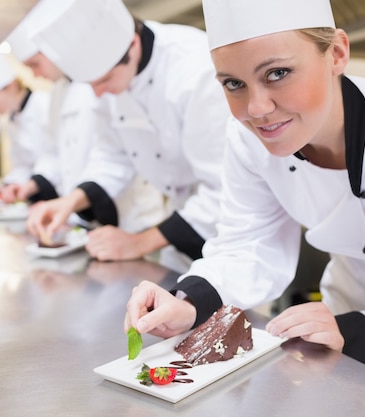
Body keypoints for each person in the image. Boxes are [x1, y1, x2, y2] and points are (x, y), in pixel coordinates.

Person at [124, 0, 365, 415]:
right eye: (233, 84)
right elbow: (250, 242)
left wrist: (353, 332)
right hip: (341, 332)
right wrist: (188, 301)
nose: (256, 109)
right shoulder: (249, 138)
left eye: (277, 73)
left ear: (336, 53)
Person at [24, 0, 230, 266]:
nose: (97, 94)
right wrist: (69, 202)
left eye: (104, 80)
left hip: (230, 236)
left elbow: (224, 189)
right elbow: (112, 154)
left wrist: (139, 242)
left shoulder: (194, 70)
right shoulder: (108, 73)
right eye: (89, 85)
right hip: (179, 224)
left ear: (133, 45)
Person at [7, 6, 166, 234]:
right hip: (90, 210)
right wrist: (69, 201)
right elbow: (107, 153)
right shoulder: (62, 91)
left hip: (134, 215)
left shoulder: (172, 69)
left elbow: (121, 156)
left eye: (35, 64)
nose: (98, 92)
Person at [0, 50, 59, 204]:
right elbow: (23, 164)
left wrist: (32, 183)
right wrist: (8, 185)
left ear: (11, 85)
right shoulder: (11, 120)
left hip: (56, 192)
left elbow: (55, 156)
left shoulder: (45, 104)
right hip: (36, 195)